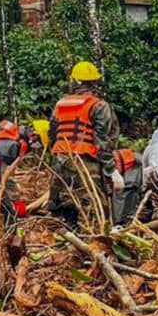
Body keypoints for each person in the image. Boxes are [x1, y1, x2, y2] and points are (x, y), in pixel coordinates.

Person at [49, 61, 122, 226]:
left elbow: (53, 133)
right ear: (94, 82)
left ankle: (67, 239)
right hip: (86, 161)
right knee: (97, 206)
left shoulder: (60, 104)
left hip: (61, 159)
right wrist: (111, 169)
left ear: (74, 81)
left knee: (65, 202)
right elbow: (102, 141)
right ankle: (99, 241)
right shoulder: (99, 105)